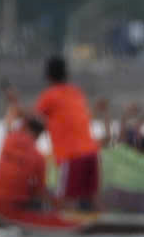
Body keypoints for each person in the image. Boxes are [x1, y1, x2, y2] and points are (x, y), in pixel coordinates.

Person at [27, 57, 99, 206]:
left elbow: (32, 122)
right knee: (88, 204)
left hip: (72, 157)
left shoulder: (49, 96)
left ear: (48, 76)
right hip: (92, 155)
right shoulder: (76, 93)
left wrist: (15, 110)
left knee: (65, 203)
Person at [0, 108, 49, 211]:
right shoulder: (39, 158)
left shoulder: (9, 139)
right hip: (15, 205)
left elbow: (11, 116)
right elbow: (40, 190)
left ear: (24, 126)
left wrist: (22, 112)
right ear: (39, 134)